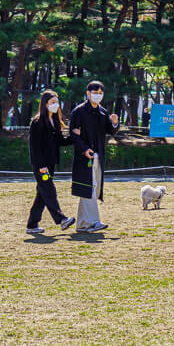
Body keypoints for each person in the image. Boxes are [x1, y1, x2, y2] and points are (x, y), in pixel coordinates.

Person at [69, 80, 119, 232]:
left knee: (92, 189)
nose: (97, 95)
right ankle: (94, 222)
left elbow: (111, 131)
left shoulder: (103, 112)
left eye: (100, 93)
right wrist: (84, 149)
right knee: (89, 188)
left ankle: (82, 224)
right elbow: (73, 134)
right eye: (95, 93)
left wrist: (115, 123)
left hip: (98, 155)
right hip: (85, 157)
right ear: (88, 93)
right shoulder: (78, 111)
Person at [27, 90, 76, 233]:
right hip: (41, 166)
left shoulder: (54, 121)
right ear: (45, 104)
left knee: (42, 195)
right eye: (52, 102)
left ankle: (32, 224)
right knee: (49, 191)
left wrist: (74, 135)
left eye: (57, 102)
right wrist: (41, 166)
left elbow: (60, 141)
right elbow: (34, 147)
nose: (56, 105)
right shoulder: (37, 122)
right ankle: (61, 219)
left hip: (51, 163)